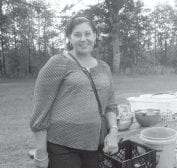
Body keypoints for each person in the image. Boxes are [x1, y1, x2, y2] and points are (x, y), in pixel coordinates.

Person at [30, 16, 119, 168]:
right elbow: (40, 113)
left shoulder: (104, 68)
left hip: (94, 144)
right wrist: (41, 153)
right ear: (69, 38)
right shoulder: (57, 63)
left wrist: (113, 132)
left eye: (87, 33)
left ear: (95, 36)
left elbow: (110, 106)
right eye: (77, 34)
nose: (83, 39)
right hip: (62, 145)